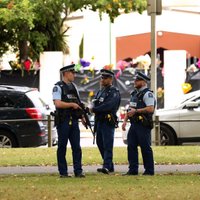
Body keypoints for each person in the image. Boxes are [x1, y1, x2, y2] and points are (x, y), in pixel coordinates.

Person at [52, 64, 85, 178]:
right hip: (63, 121)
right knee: (62, 147)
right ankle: (63, 172)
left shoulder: (74, 87)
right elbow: (57, 103)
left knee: (76, 147)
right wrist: (71, 104)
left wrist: (83, 117)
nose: (74, 74)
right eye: (72, 72)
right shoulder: (58, 87)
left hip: (74, 120)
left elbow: (78, 104)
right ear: (65, 73)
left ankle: (78, 171)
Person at [122, 71, 156, 176]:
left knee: (145, 147)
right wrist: (125, 120)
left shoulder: (148, 94)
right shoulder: (134, 94)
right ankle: (133, 170)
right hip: (134, 125)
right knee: (131, 146)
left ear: (144, 82)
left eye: (137, 80)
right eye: (135, 79)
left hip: (143, 125)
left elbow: (150, 109)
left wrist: (136, 111)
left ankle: (149, 170)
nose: (135, 81)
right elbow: (130, 108)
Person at [91, 69, 121, 174]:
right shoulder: (100, 91)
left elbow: (109, 105)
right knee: (100, 143)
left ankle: (107, 166)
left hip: (108, 121)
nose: (102, 79)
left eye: (104, 78)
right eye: (101, 77)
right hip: (99, 120)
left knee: (108, 144)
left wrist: (95, 109)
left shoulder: (113, 92)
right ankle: (109, 165)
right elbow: (95, 103)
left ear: (110, 79)